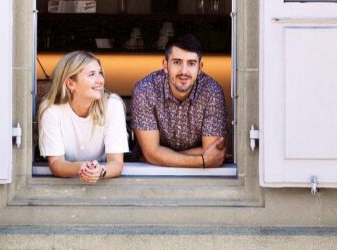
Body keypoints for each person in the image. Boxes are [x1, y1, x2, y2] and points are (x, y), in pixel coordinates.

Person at [131, 33, 227, 168]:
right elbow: (151, 154)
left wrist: (161, 155)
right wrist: (203, 161)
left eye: (191, 63)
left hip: (198, 177)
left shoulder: (212, 91)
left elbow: (213, 151)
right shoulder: (145, 90)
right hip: (150, 174)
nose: (184, 71)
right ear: (165, 65)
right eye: (177, 62)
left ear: (200, 68)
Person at [38, 50, 128, 182]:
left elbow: (117, 163)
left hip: (103, 185)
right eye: (91, 74)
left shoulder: (112, 105)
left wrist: (100, 171)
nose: (100, 80)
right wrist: (81, 168)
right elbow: (56, 163)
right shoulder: (51, 110)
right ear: (70, 84)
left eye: (100, 73)